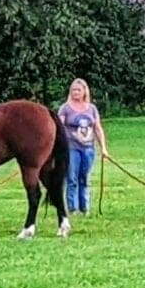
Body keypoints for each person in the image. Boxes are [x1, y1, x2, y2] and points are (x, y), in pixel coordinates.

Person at [58, 77, 106, 223]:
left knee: (84, 178)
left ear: (84, 91)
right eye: (73, 90)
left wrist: (103, 148)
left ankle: (85, 208)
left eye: (78, 90)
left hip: (88, 148)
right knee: (72, 178)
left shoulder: (91, 108)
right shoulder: (65, 108)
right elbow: (59, 128)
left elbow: (97, 128)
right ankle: (73, 208)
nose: (76, 93)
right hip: (71, 147)